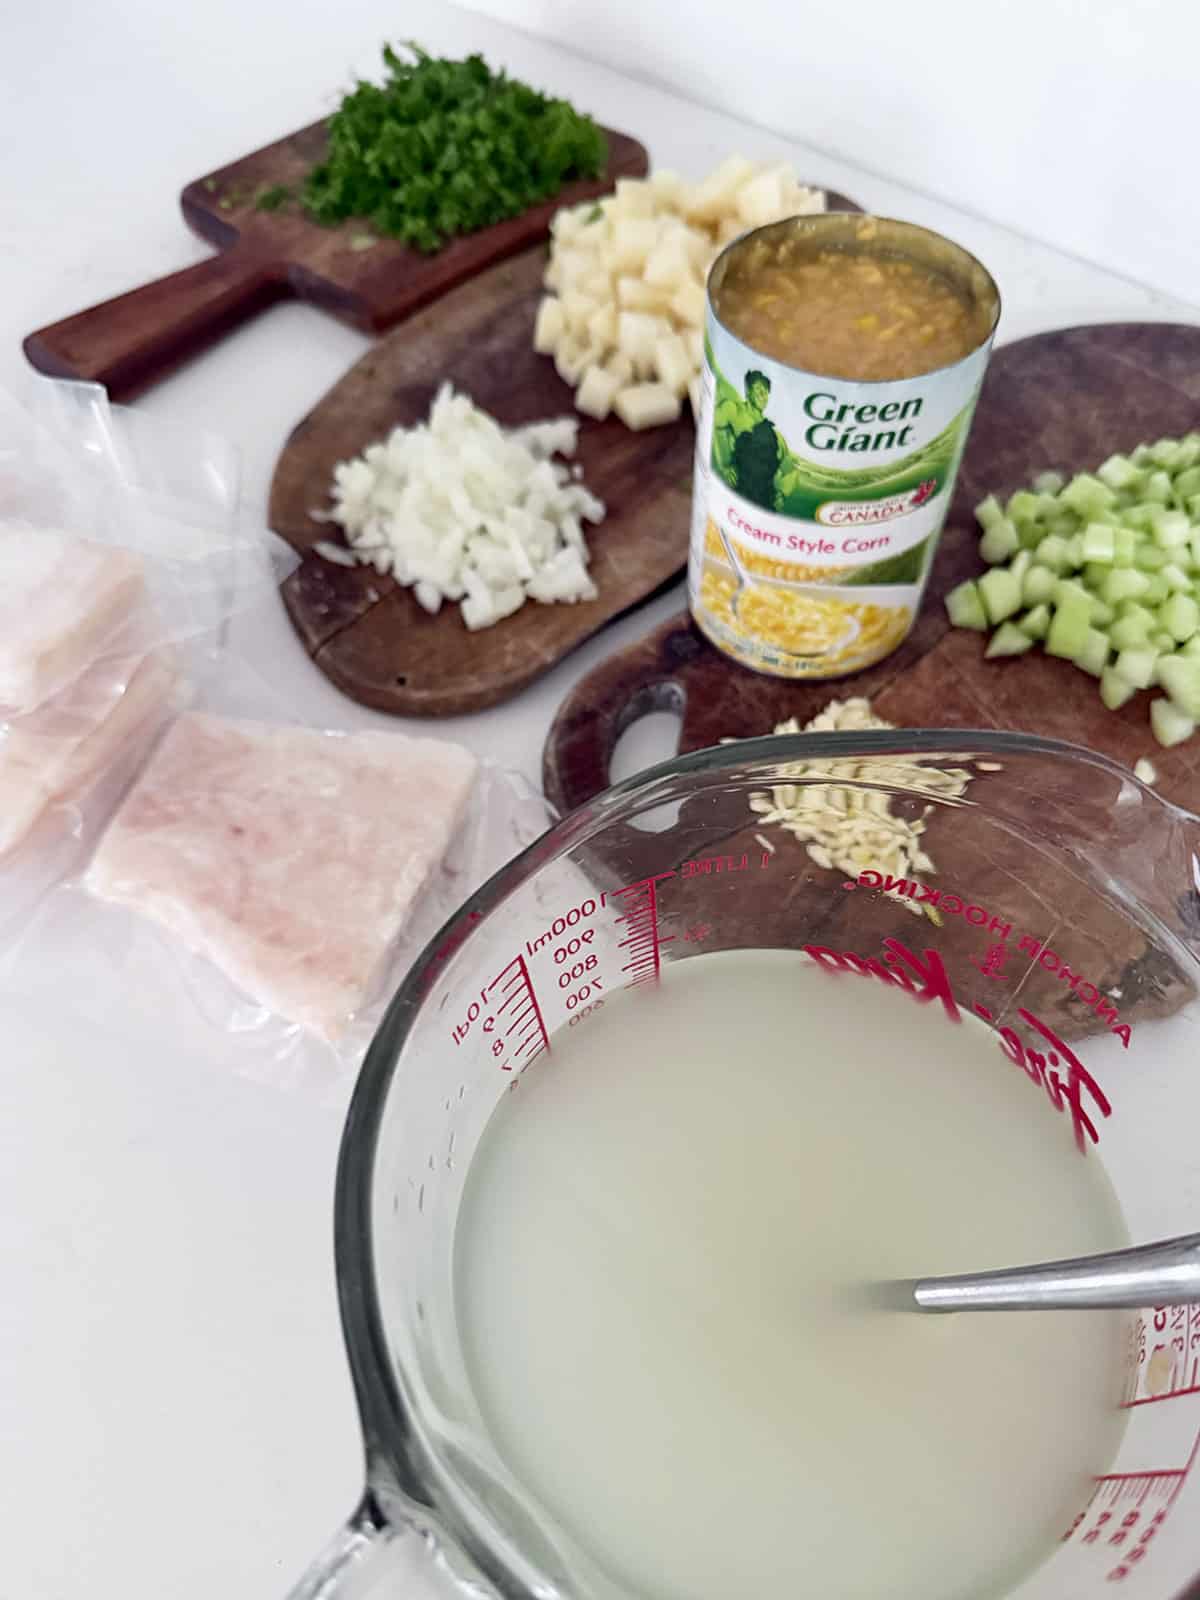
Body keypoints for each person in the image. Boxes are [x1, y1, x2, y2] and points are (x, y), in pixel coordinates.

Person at [711, 368, 787, 511]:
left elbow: (788, 471)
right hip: (738, 494)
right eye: (758, 388)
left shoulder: (774, 434)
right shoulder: (733, 410)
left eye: (765, 391)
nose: (763, 394)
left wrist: (781, 493)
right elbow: (710, 424)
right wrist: (723, 466)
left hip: (764, 500)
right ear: (747, 391)